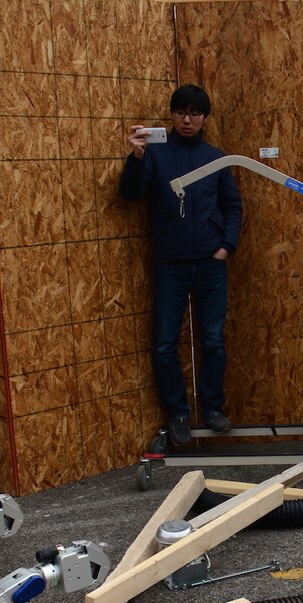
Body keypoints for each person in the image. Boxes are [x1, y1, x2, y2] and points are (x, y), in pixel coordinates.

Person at [119, 84, 243, 446]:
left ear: (205, 118)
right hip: (170, 263)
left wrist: (226, 247)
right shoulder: (155, 154)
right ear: (171, 114)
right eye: (181, 112)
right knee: (164, 345)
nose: (187, 120)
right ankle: (178, 414)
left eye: (195, 113)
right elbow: (129, 193)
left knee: (213, 341)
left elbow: (233, 207)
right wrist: (137, 157)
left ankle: (213, 409)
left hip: (210, 263)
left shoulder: (216, 158)